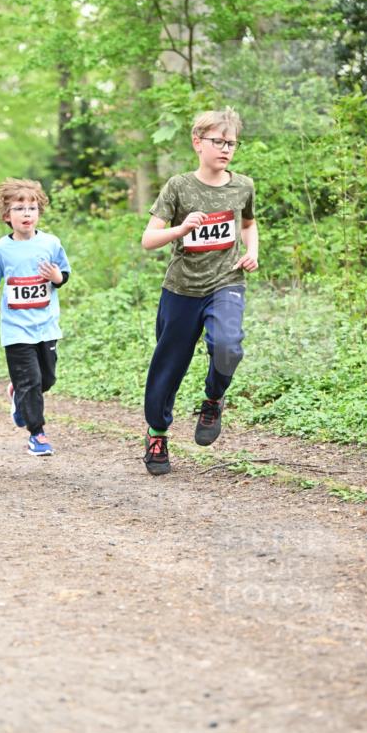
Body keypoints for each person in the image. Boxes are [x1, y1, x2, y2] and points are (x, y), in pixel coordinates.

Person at [141, 106, 259, 475]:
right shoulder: (179, 186)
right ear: (197, 143)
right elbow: (148, 240)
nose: (226, 149)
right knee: (169, 365)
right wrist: (179, 230)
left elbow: (249, 223)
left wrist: (252, 251)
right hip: (181, 289)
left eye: (232, 143)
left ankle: (213, 399)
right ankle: (157, 433)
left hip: (226, 282)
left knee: (227, 344)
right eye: (218, 141)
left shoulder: (243, 185)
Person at [0, 178, 70, 457]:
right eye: (19, 208)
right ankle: (37, 434)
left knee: (46, 379)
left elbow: (64, 274)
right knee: (32, 381)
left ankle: (17, 393)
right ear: (6, 216)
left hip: (46, 326)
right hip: (16, 330)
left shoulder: (51, 243)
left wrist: (56, 277)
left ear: (39, 212)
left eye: (32, 208)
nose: (27, 214)